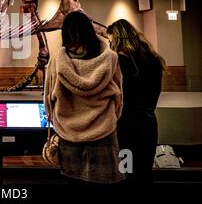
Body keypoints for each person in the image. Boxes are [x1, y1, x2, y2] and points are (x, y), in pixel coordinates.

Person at [44, 11, 124, 184]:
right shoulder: (111, 58)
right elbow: (119, 97)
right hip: (104, 133)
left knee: (73, 184)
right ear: (90, 30)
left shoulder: (56, 61)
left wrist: (57, 120)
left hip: (68, 133)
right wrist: (110, 118)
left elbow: (48, 99)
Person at [107, 19, 165, 184]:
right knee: (144, 173)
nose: (111, 45)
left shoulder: (120, 61)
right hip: (149, 124)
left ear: (117, 39)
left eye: (111, 41)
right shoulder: (154, 59)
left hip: (126, 126)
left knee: (126, 173)